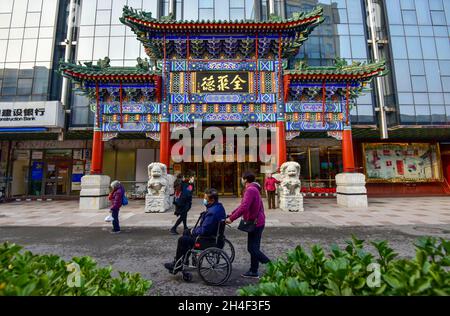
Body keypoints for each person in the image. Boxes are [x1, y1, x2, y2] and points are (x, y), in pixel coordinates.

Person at [164, 188, 226, 273]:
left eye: (205, 198)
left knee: (182, 240)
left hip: (207, 240)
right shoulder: (219, 207)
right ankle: (183, 260)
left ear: (212, 200)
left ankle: (178, 264)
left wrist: (193, 231)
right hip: (214, 235)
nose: (204, 200)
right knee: (186, 232)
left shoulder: (212, 212)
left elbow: (204, 230)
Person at [226, 171, 270, 279]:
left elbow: (244, 207)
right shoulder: (253, 189)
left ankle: (273, 266)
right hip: (257, 222)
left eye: (242, 178)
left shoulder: (250, 190)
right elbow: (243, 205)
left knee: (252, 249)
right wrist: (231, 213)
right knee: (254, 247)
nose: (241, 180)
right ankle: (253, 271)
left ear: (245, 179)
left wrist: (231, 218)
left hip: (255, 223)